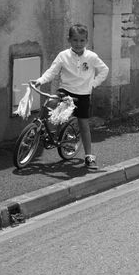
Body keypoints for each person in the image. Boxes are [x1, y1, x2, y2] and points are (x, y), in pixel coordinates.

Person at [32, 24, 109, 169]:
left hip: (83, 95)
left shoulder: (91, 57)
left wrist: (93, 84)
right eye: (75, 40)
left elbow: (104, 70)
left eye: (81, 41)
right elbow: (52, 72)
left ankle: (89, 156)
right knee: (52, 105)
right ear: (69, 40)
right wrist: (40, 81)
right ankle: (52, 134)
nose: (78, 44)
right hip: (65, 91)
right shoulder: (63, 56)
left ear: (86, 41)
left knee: (83, 125)